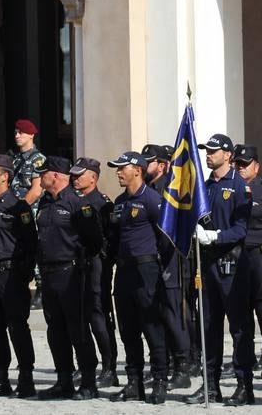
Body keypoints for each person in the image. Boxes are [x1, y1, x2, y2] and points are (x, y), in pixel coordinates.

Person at [33, 155, 102, 400]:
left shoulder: (77, 204)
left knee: (78, 330)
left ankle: (88, 382)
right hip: (49, 275)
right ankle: (64, 379)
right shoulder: (44, 204)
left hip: (71, 274)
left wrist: (80, 262)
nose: (40, 177)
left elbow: (94, 241)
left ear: (55, 176)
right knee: (56, 331)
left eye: (43, 173)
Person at [191, 133, 252, 404]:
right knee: (209, 326)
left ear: (227, 155)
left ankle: (244, 385)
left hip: (232, 263)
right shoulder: (205, 187)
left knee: (239, 327)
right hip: (208, 264)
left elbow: (241, 228)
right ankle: (210, 384)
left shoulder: (239, 186)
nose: (208, 154)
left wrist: (216, 236)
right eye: (207, 150)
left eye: (213, 151)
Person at [106, 150, 169, 404]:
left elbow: (165, 238)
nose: (118, 172)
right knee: (128, 330)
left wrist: (160, 267)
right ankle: (134, 382)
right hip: (124, 271)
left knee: (152, 327)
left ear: (138, 171)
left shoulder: (152, 199)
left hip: (146, 269)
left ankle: (160, 380)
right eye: (117, 168)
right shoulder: (120, 201)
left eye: (123, 168)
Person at [0, 153, 38, 398]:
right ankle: (0, 378)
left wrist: (23, 273)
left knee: (17, 327)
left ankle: (26, 377)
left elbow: (30, 243)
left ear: (5, 176)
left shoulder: (19, 206)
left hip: (10, 273)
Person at [143, 141, 194, 387]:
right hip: (155, 261)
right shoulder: (149, 189)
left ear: (162, 165)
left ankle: (183, 367)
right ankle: (167, 364)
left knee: (175, 316)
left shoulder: (168, 191)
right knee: (160, 315)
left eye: (149, 162)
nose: (144, 166)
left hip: (171, 261)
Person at [232, 144, 262, 384]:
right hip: (237, 256)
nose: (240, 168)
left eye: (245, 164)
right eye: (238, 164)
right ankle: (244, 356)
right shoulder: (230, 189)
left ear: (257, 166)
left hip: (261, 254)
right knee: (240, 310)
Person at [73, 156, 119, 387]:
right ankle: (87, 365)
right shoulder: (75, 201)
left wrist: (104, 259)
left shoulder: (102, 203)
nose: (76, 179)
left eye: (81, 175)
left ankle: (109, 366)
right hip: (77, 264)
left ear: (93, 177)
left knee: (98, 315)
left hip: (97, 264)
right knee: (82, 316)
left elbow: (112, 238)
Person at [11, 120, 46, 208]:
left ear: (31, 135)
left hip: (28, 210)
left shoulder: (38, 159)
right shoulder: (15, 158)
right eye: (16, 133)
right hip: (12, 207)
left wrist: (20, 208)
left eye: (21, 133)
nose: (17, 136)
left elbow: (36, 190)